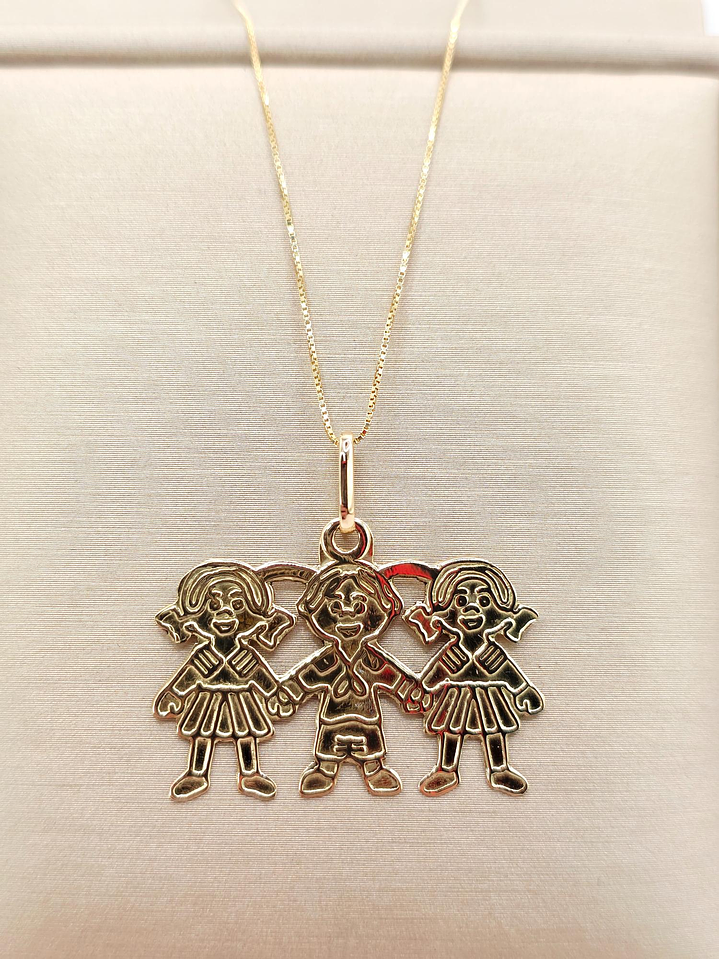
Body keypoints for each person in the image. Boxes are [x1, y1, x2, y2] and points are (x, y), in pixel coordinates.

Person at [270, 559, 430, 796]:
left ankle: (373, 769)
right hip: (333, 716)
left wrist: (409, 691)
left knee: (370, 743)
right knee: (329, 743)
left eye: (359, 608)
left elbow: (392, 676)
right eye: (335, 608)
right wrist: (289, 693)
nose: (347, 616)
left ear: (384, 609)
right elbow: (306, 677)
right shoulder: (327, 660)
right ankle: (325, 769)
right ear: (314, 613)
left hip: (366, 715)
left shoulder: (372, 660)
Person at [153, 561, 295, 801]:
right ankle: (196, 773)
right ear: (194, 616)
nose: (225, 612)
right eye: (213, 605)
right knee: (202, 734)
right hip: (206, 699)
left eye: (237, 605)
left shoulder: (245, 655)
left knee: (246, 734)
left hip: (242, 699)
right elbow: (190, 675)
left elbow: (260, 675)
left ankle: (250, 773)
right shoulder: (204, 655)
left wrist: (275, 694)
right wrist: (173, 694)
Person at [405, 560, 543, 796]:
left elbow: (507, 671)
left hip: (490, 696)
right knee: (450, 729)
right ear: (443, 614)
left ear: (500, 614)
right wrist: (423, 689)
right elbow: (437, 672)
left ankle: (499, 768)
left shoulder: (492, 653)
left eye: (484, 601)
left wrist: (523, 690)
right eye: (460, 601)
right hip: (455, 696)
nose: (471, 608)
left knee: (494, 729)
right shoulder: (452, 653)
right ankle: (446, 769)